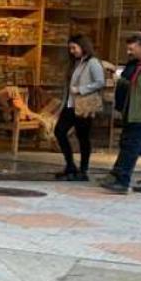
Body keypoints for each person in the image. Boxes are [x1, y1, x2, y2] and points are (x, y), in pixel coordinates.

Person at [102, 34, 141, 193]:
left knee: (130, 147)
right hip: (136, 114)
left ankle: (122, 181)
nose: (128, 52)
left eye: (131, 48)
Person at [53, 35, 105, 181]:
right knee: (59, 131)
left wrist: (81, 89)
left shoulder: (93, 63)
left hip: (84, 106)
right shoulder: (75, 63)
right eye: (70, 48)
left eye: (74, 47)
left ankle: (83, 170)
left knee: (83, 137)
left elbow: (100, 82)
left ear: (83, 46)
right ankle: (70, 165)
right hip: (70, 105)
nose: (72, 51)